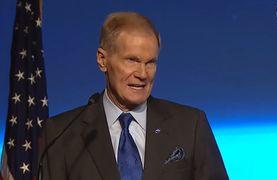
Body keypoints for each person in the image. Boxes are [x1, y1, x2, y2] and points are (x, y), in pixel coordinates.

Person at [41, 12, 229, 180]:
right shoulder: (62, 133)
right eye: (132, 60)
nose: (143, 74)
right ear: (102, 60)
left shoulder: (190, 125)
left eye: (150, 62)